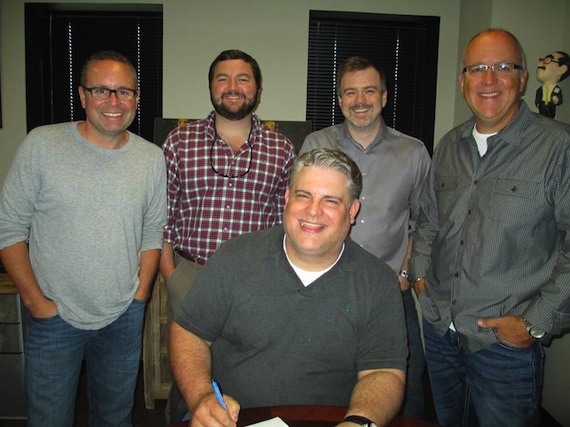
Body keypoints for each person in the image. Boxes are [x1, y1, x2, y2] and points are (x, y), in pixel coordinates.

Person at [170, 148, 407, 427]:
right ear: (286, 198)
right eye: (303, 195)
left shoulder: (377, 281)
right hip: (232, 419)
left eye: (330, 200)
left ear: (352, 211)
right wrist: (202, 397)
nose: (313, 211)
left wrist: (359, 422)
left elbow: (383, 372)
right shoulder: (234, 259)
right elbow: (189, 333)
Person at [407, 28, 570, 427]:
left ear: (524, 77)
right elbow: (429, 220)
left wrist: (534, 323)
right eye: (477, 68)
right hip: (442, 331)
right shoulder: (448, 145)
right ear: (462, 80)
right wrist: (421, 278)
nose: (488, 79)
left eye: (502, 67)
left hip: (504, 347)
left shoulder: (557, 147)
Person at [0, 50, 167, 426]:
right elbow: (9, 228)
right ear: (81, 95)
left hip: (122, 315)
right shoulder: (42, 145)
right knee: (48, 420)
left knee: (114, 418)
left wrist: (138, 298)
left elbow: (152, 233)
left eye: (124, 91)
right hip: (54, 317)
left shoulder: (151, 159)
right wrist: (36, 301)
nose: (113, 102)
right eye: (102, 90)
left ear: (137, 98)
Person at [160, 49, 296, 422]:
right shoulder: (178, 142)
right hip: (190, 273)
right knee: (188, 368)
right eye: (223, 78)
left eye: (242, 79)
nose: (232, 87)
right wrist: (171, 273)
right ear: (210, 87)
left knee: (246, 362)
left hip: (255, 277)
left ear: (258, 90)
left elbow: (287, 220)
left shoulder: (282, 149)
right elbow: (161, 216)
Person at [300, 56, 430, 419]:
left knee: (405, 389)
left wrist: (406, 274)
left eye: (369, 90)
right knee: (326, 385)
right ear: (340, 100)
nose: (360, 100)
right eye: (350, 92)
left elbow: (424, 222)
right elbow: (303, 212)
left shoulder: (413, 152)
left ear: (384, 96)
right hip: (327, 289)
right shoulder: (316, 143)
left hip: (390, 292)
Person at [535, 50, 569, 118]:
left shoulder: (557, 89)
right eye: (541, 60)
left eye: (547, 60)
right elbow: (538, 96)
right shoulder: (540, 89)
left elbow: (559, 98)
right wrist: (538, 104)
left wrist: (556, 100)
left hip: (551, 106)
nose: (539, 64)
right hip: (542, 105)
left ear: (562, 69)